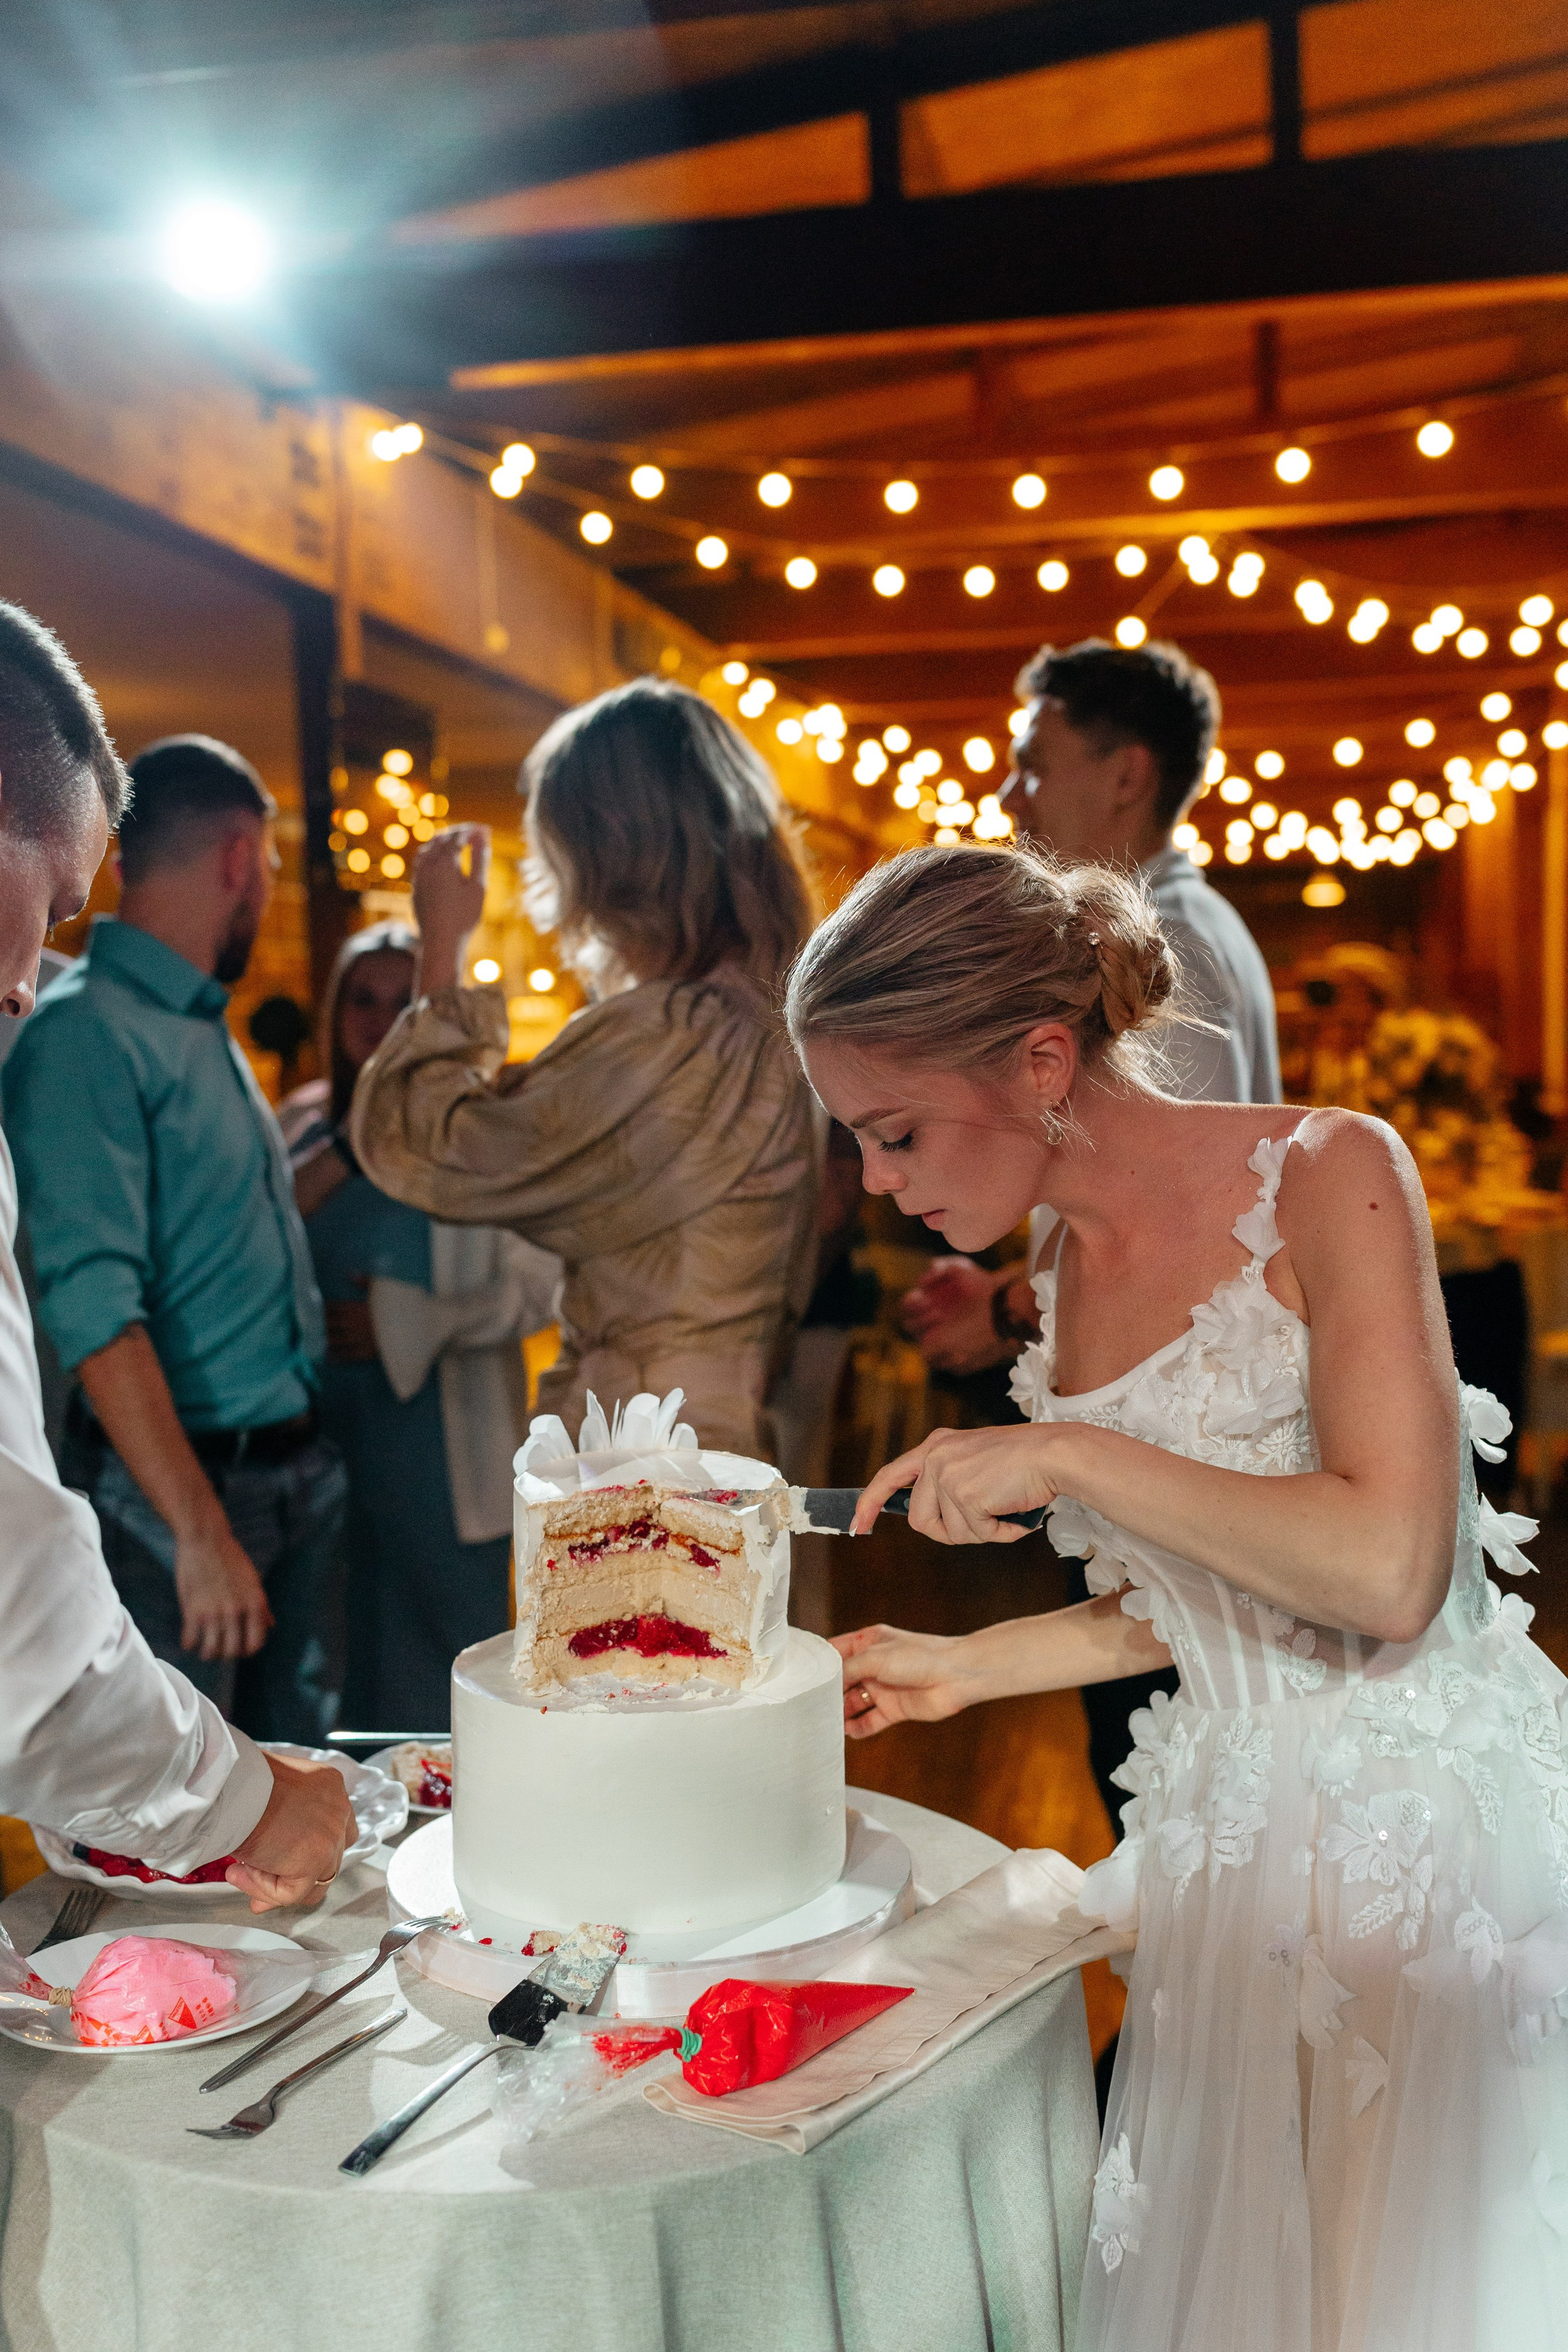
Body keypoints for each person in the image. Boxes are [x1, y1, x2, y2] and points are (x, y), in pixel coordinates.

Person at [786, 837, 1568, 2348]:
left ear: (1034, 1059)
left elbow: (1387, 1569)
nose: (879, 1186)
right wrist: (969, 1662)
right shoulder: (1066, 1273)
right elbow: (1217, 1595)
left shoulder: (1329, 1175)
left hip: (1415, 1852)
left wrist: (1066, 1449)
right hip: (1224, 1842)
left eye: (892, 1133)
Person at [0, 599, 349, 1907]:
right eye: (56, 902)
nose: (31, 978)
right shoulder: (85, 1034)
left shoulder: (202, 1029)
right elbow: (95, 1309)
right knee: (155, 1889)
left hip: (283, 1469)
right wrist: (199, 1530)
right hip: (179, 1498)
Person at [907, 637, 1283, 1828]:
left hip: (1195, 1465)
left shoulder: (1180, 954)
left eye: (1033, 764)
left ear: (1125, 774)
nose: (1012, 794)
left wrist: (1009, 1309)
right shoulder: (1168, 932)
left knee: (1172, 1783)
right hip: (1149, 1449)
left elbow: (1184, 1226)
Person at [351, 678, 820, 1458]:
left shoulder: (673, 1035)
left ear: (606, 849)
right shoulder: (765, 1013)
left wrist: (441, 947)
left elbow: (434, 1145)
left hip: (643, 1453)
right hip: (712, 1435)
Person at [282, 921, 559, 1730]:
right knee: (329, 1654)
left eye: (404, 1004)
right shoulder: (302, 1128)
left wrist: (409, 1321)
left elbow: (542, 1287)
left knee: (448, 1652)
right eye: (362, 1000)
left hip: (439, 1446)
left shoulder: (475, 1135)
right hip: (317, 1437)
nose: (378, 1021)